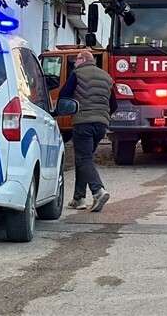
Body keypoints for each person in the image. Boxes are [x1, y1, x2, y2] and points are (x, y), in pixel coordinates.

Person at [59, 51, 117, 212]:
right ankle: (79, 198)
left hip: (83, 122)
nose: (74, 63)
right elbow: (114, 105)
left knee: (83, 158)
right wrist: (102, 115)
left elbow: (64, 95)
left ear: (83, 59)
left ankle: (98, 191)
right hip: (101, 125)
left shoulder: (78, 74)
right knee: (83, 159)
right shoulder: (106, 77)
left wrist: (66, 110)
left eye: (76, 60)